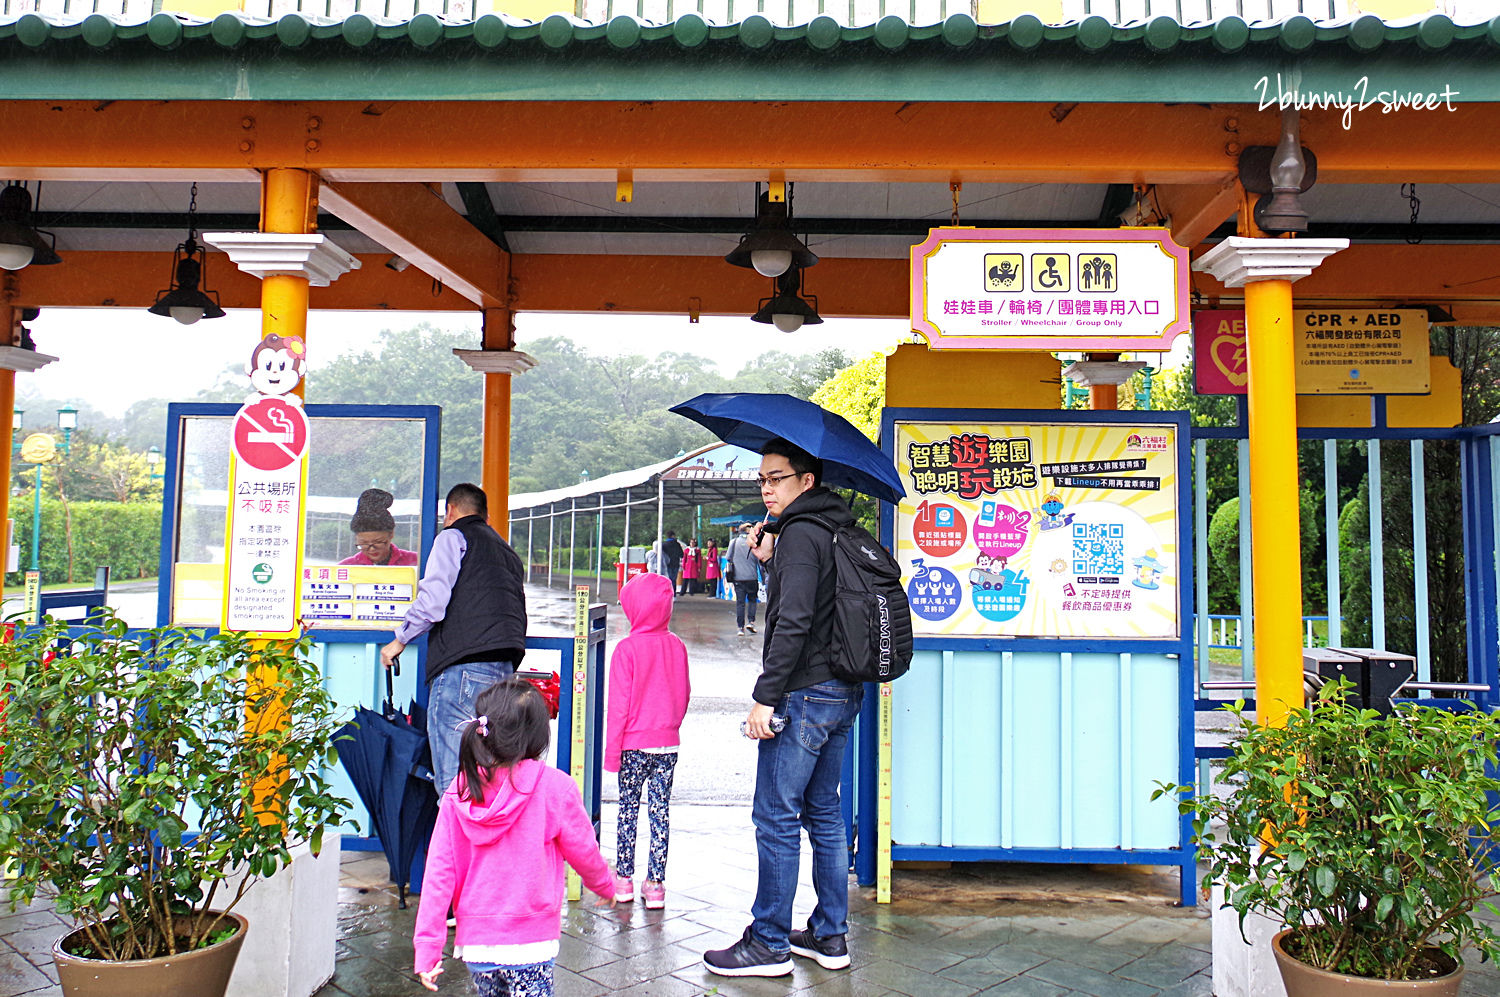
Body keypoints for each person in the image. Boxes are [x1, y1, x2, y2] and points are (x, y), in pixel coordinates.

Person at [703, 438, 862, 978]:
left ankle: (768, 941)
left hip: (804, 695)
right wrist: (769, 563)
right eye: (763, 480)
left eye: (777, 478)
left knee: (775, 816)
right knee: (823, 814)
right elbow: (816, 609)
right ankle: (829, 935)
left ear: (806, 482)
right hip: (842, 691)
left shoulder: (799, 534)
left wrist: (765, 697)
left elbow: (793, 622)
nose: (767, 488)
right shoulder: (837, 529)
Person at [413, 678, 615, 996]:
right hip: (531, 943)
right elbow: (584, 850)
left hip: (478, 945)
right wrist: (604, 885)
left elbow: (439, 875)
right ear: (536, 736)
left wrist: (427, 949)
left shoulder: (460, 792)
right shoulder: (554, 788)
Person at [381, 483, 527, 795]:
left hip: (462, 670)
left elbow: (433, 603)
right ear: (486, 515)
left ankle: (456, 842)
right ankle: (486, 844)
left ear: (450, 511)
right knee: (487, 776)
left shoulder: (452, 537)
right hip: (503, 672)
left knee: (453, 782)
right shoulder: (507, 552)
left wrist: (400, 639)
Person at [604, 572, 690, 910]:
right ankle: (655, 884)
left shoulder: (626, 650)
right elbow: (683, 696)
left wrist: (612, 756)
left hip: (633, 747)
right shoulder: (677, 646)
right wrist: (669, 726)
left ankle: (624, 879)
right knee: (660, 811)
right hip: (667, 745)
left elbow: (618, 709)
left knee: (627, 809)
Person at [339, 487, 419, 566]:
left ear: (391, 534)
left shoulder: (416, 562)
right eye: (364, 543)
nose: (372, 549)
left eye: (378, 542)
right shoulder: (347, 567)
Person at [725, 523, 761, 636]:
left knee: (740, 603)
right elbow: (759, 559)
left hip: (738, 578)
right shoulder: (754, 542)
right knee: (752, 600)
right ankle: (751, 622)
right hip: (752, 577)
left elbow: (728, 558)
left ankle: (740, 628)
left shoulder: (734, 542)